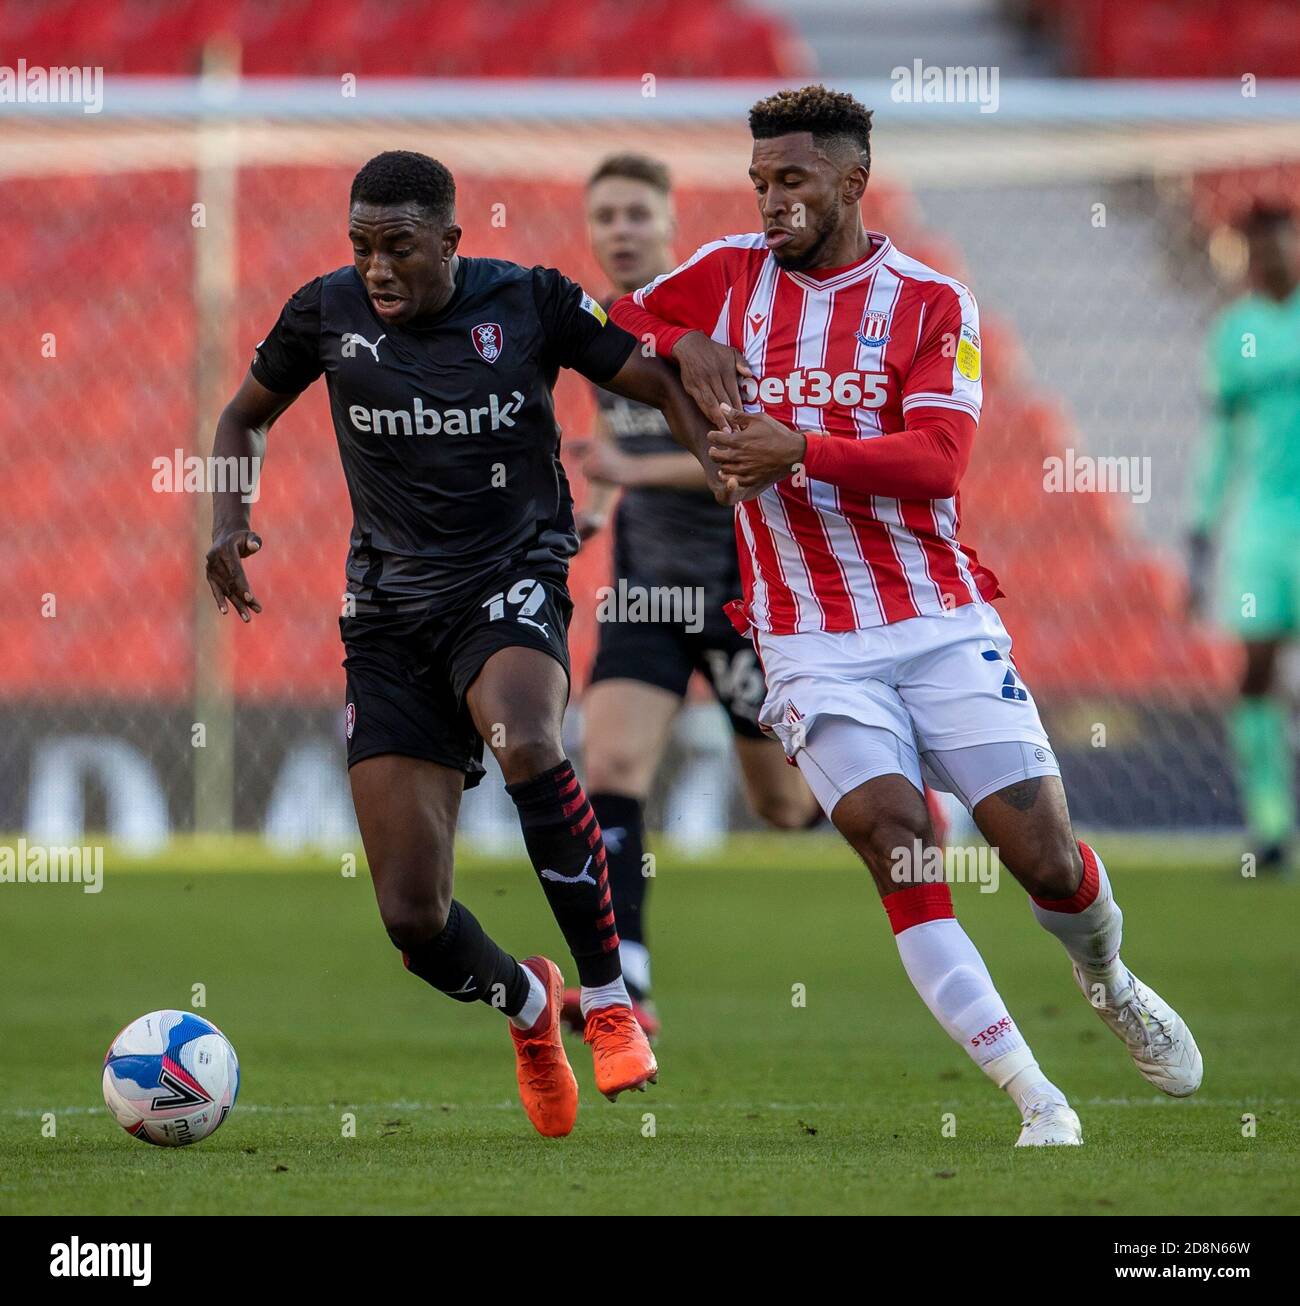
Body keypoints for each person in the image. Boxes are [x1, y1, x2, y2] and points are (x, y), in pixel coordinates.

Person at [611, 85, 1203, 1146]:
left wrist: (801, 449)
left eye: (791, 180)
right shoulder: (728, 276)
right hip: (805, 637)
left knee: (1044, 860)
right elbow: (606, 313)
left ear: (851, 180)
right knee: (900, 843)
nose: (769, 202)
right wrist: (678, 349)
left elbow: (937, 464)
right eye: (757, 183)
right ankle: (1037, 1097)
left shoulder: (932, 303)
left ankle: (1106, 976)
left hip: (937, 620)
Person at [204, 150, 721, 1137]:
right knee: (412, 918)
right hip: (388, 615)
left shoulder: (528, 302)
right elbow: (241, 416)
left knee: (527, 735)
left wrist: (722, 460)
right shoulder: (325, 312)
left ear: (449, 240)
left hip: (510, 578)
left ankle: (608, 999)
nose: (377, 268)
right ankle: (533, 1006)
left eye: (398, 246)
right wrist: (228, 518)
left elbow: (654, 381)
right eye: (360, 247)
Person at [569, 152, 820, 1034]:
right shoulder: (599, 328)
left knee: (785, 809)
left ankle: (884, 776)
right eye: (606, 217)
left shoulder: (713, 320)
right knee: (610, 766)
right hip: (646, 596)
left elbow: (744, 459)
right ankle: (624, 983)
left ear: (670, 227)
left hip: (743, 597)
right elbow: (610, 437)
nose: (622, 231)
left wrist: (630, 472)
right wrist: (595, 512)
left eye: (638, 214)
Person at [1190, 200, 1300, 876]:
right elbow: (1220, 439)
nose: (1272, 256)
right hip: (1261, 520)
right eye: (1261, 247)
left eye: (1281, 244)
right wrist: (1201, 529)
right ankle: (1270, 822)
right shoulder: (1235, 333)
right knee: (1255, 667)